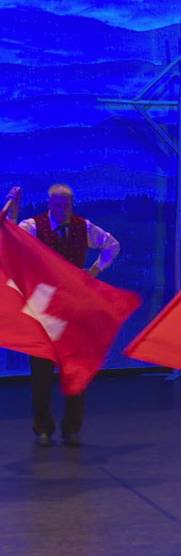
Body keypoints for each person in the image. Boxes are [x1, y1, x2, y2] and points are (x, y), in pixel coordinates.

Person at [5, 184, 121, 448]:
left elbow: (112, 246)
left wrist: (92, 272)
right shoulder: (34, 226)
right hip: (44, 305)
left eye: (66, 204)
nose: (62, 209)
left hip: (73, 304)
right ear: (50, 203)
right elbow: (13, 240)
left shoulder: (83, 227)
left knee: (76, 368)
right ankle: (43, 427)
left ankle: (72, 428)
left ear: (71, 204)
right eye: (58, 204)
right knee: (42, 372)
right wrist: (13, 207)